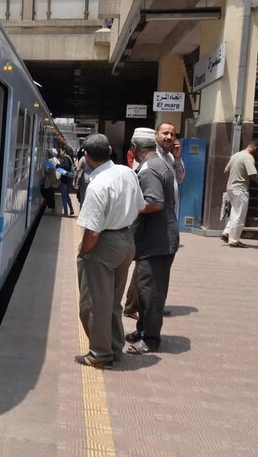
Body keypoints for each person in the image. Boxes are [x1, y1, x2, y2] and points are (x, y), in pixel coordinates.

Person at [75, 133, 145, 369]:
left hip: (103, 246)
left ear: (86, 156)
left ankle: (99, 354)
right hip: (126, 241)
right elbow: (140, 206)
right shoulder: (127, 173)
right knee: (113, 302)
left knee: (94, 304)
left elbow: (93, 232)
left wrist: (84, 252)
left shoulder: (97, 185)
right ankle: (114, 348)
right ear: (110, 151)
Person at [124, 128, 179, 354]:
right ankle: (142, 330)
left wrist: (129, 209)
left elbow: (154, 202)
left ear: (135, 147)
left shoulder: (148, 169)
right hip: (159, 237)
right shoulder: (160, 163)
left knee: (151, 292)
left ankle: (150, 339)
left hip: (156, 240)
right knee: (145, 288)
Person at [221, 140, 258, 248]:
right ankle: (234, 241)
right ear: (255, 148)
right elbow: (253, 175)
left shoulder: (235, 155)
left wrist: (229, 184)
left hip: (231, 188)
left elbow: (225, 171)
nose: (256, 154)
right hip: (240, 189)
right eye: (257, 152)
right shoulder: (248, 157)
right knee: (239, 215)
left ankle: (227, 232)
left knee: (235, 212)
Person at [41, 148, 60, 214]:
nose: (48, 154)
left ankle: (53, 210)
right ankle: (51, 208)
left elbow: (48, 171)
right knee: (50, 194)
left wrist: (45, 166)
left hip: (50, 182)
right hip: (54, 181)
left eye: (49, 153)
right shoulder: (57, 160)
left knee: (49, 195)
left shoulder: (50, 161)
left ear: (51, 154)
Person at [57, 147, 75, 216]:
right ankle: (71, 209)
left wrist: (59, 165)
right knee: (67, 195)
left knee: (64, 196)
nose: (60, 152)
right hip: (68, 179)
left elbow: (66, 166)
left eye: (61, 151)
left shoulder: (66, 158)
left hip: (64, 179)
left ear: (64, 151)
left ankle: (65, 212)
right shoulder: (70, 158)